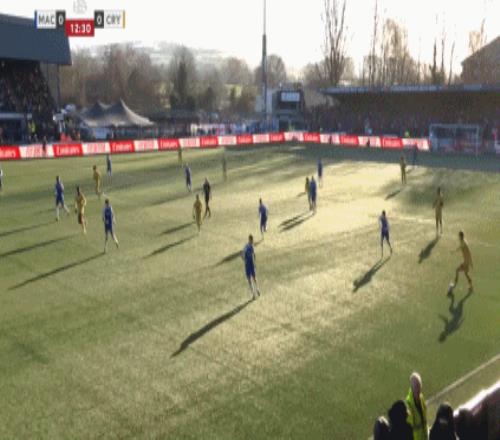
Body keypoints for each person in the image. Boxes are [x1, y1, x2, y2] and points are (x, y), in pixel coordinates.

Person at [406, 372, 429, 440]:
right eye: (416, 387)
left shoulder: (421, 397)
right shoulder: (408, 404)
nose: (418, 389)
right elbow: (409, 428)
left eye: (419, 385)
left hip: (425, 437)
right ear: (411, 387)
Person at [242, 234, 260, 299]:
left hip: (251, 264)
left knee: (254, 278)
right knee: (250, 280)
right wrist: (244, 259)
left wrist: (254, 263)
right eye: (252, 240)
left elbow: (253, 255)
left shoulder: (251, 246)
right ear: (249, 240)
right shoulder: (246, 247)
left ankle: (257, 290)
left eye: (252, 240)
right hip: (248, 265)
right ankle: (253, 294)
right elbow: (242, 255)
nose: (252, 241)